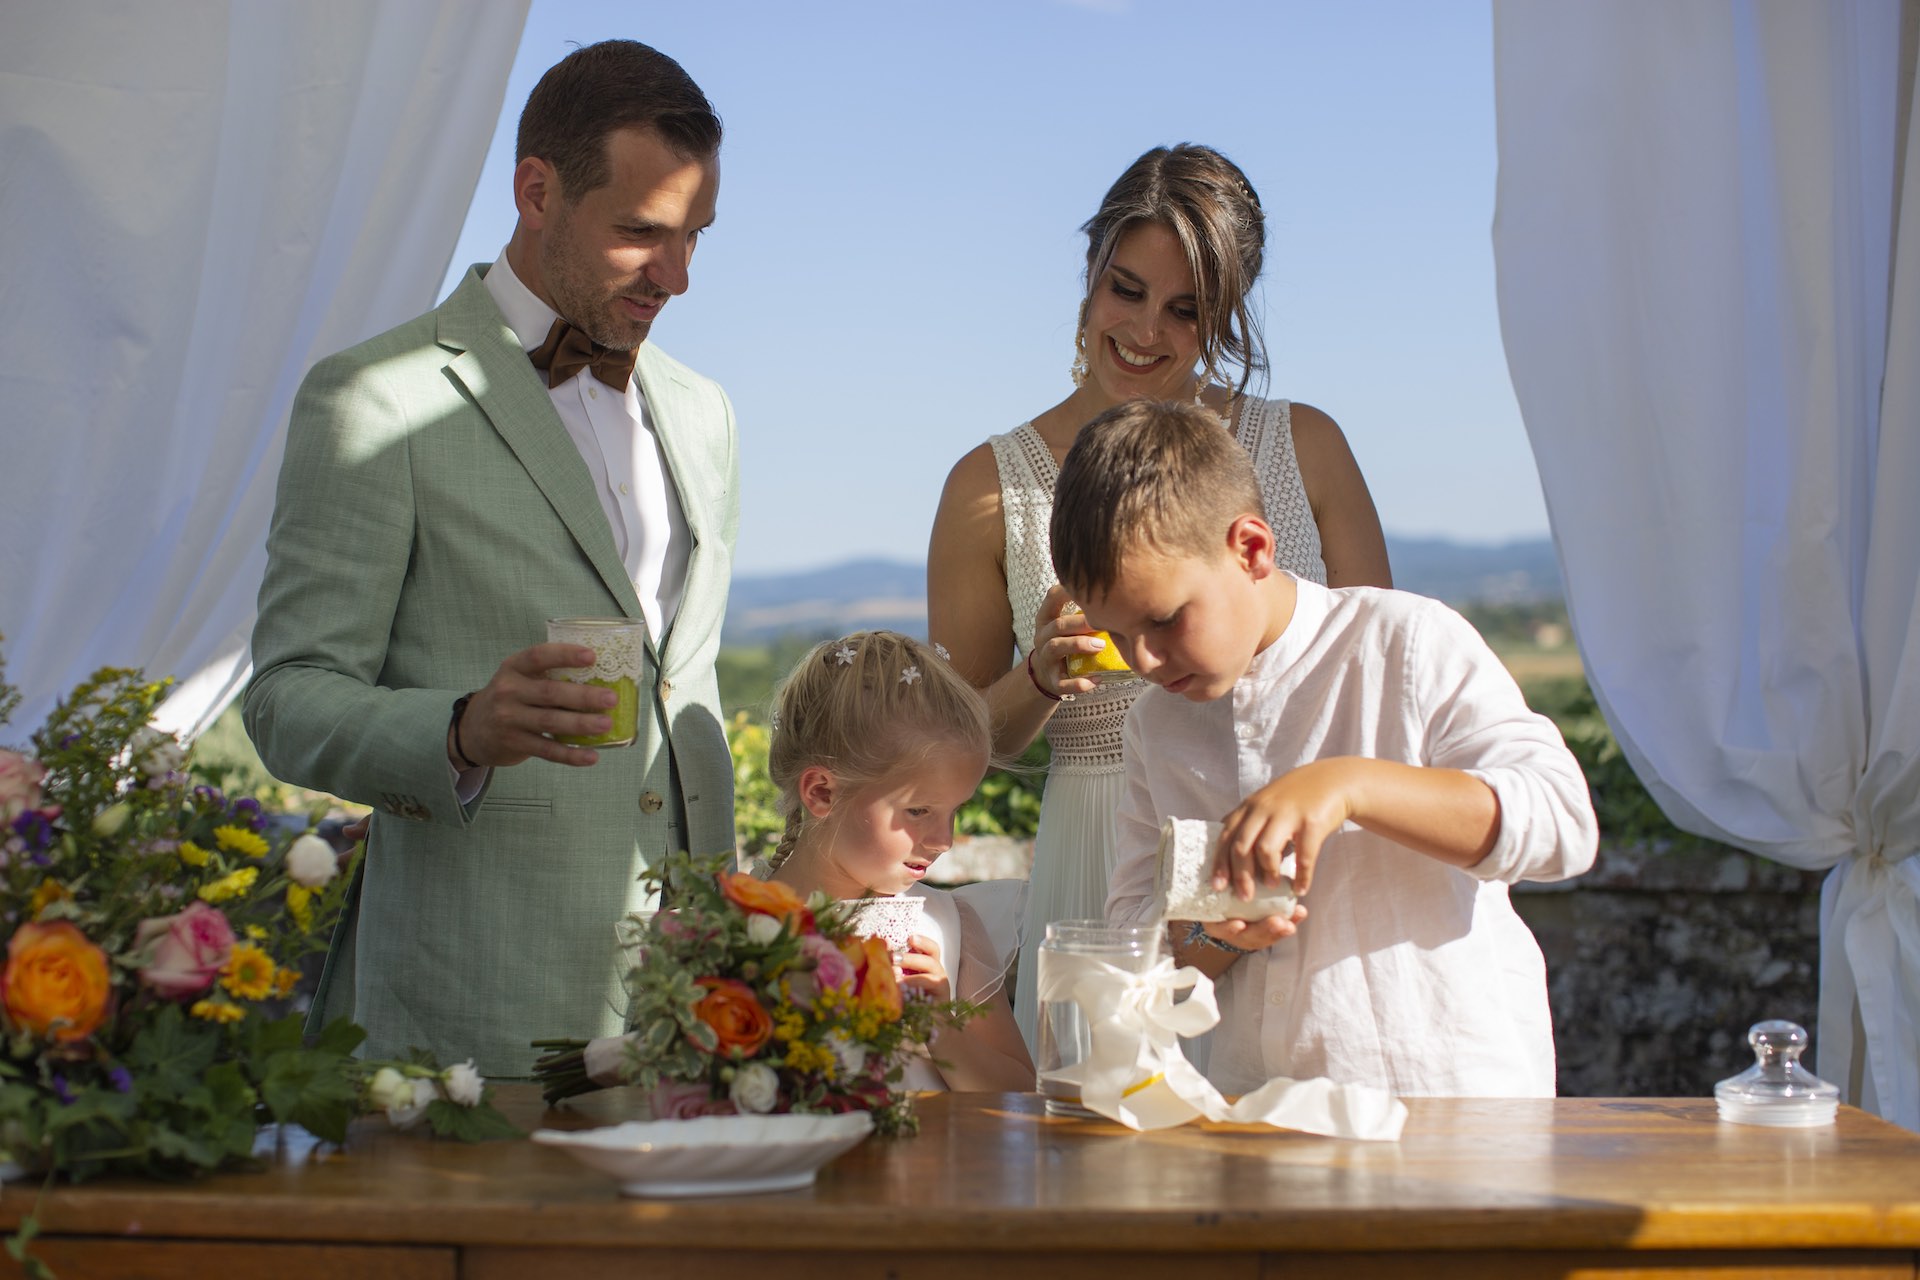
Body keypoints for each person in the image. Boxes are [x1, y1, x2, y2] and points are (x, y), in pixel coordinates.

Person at [244, 41, 738, 1078]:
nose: (678, 277)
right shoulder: (373, 401)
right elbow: (287, 697)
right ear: (535, 191)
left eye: (696, 236)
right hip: (474, 1021)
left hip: (693, 1013)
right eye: (642, 233)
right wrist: (461, 727)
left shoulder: (704, 414)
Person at [926, 144, 1394, 1046]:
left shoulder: (1307, 448)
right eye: (1126, 289)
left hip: (1295, 856)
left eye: (1187, 310)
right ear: (1090, 275)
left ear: (1227, 316)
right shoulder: (988, 486)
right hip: (1103, 859)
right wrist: (1038, 676)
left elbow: (1378, 674)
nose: (1146, 331)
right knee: (1104, 1149)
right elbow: (956, 749)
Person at [1053, 401, 1596, 1097]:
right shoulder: (1155, 728)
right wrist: (1219, 936)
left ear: (1252, 549)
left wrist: (1351, 786)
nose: (1147, 661)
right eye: (1119, 636)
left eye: (1163, 620)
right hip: (1257, 1112)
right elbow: (1135, 942)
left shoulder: (1407, 642)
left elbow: (1562, 824)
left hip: (1449, 1104)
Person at [763, 631, 1033, 1092]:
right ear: (822, 793)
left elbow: (1019, 1092)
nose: (943, 840)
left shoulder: (948, 928)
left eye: (954, 812)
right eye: (919, 811)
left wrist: (941, 1030)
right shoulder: (740, 928)